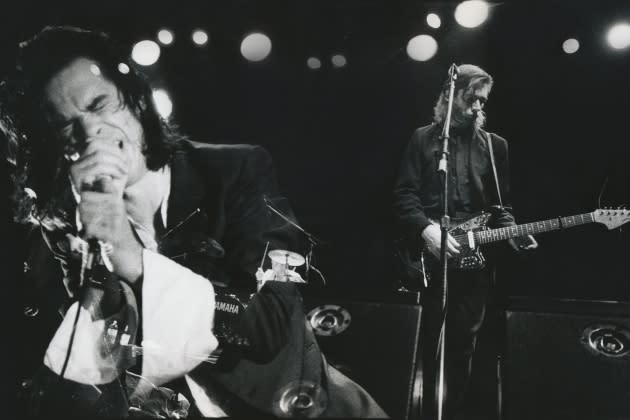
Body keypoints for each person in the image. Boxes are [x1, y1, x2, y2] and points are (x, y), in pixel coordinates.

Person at [6, 26, 386, 417]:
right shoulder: (65, 224)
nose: (90, 134)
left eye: (99, 105)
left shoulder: (238, 170)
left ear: (136, 101)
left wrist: (134, 259)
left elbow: (271, 323)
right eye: (64, 126)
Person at [393, 64, 537, 419]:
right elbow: (404, 196)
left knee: (461, 349)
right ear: (449, 95)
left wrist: (516, 233)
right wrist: (426, 231)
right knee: (421, 343)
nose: (477, 107)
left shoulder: (494, 146)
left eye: (482, 101)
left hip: (473, 263)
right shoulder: (422, 139)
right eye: (471, 99)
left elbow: (500, 207)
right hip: (426, 256)